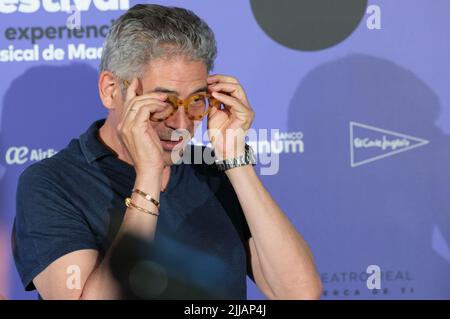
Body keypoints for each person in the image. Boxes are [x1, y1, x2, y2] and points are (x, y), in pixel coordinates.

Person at [12, 4, 321, 300]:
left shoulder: (211, 170)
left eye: (196, 101)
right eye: (163, 103)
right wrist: (147, 178)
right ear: (111, 90)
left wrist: (234, 158)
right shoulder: (52, 183)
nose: (181, 123)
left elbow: (298, 292)